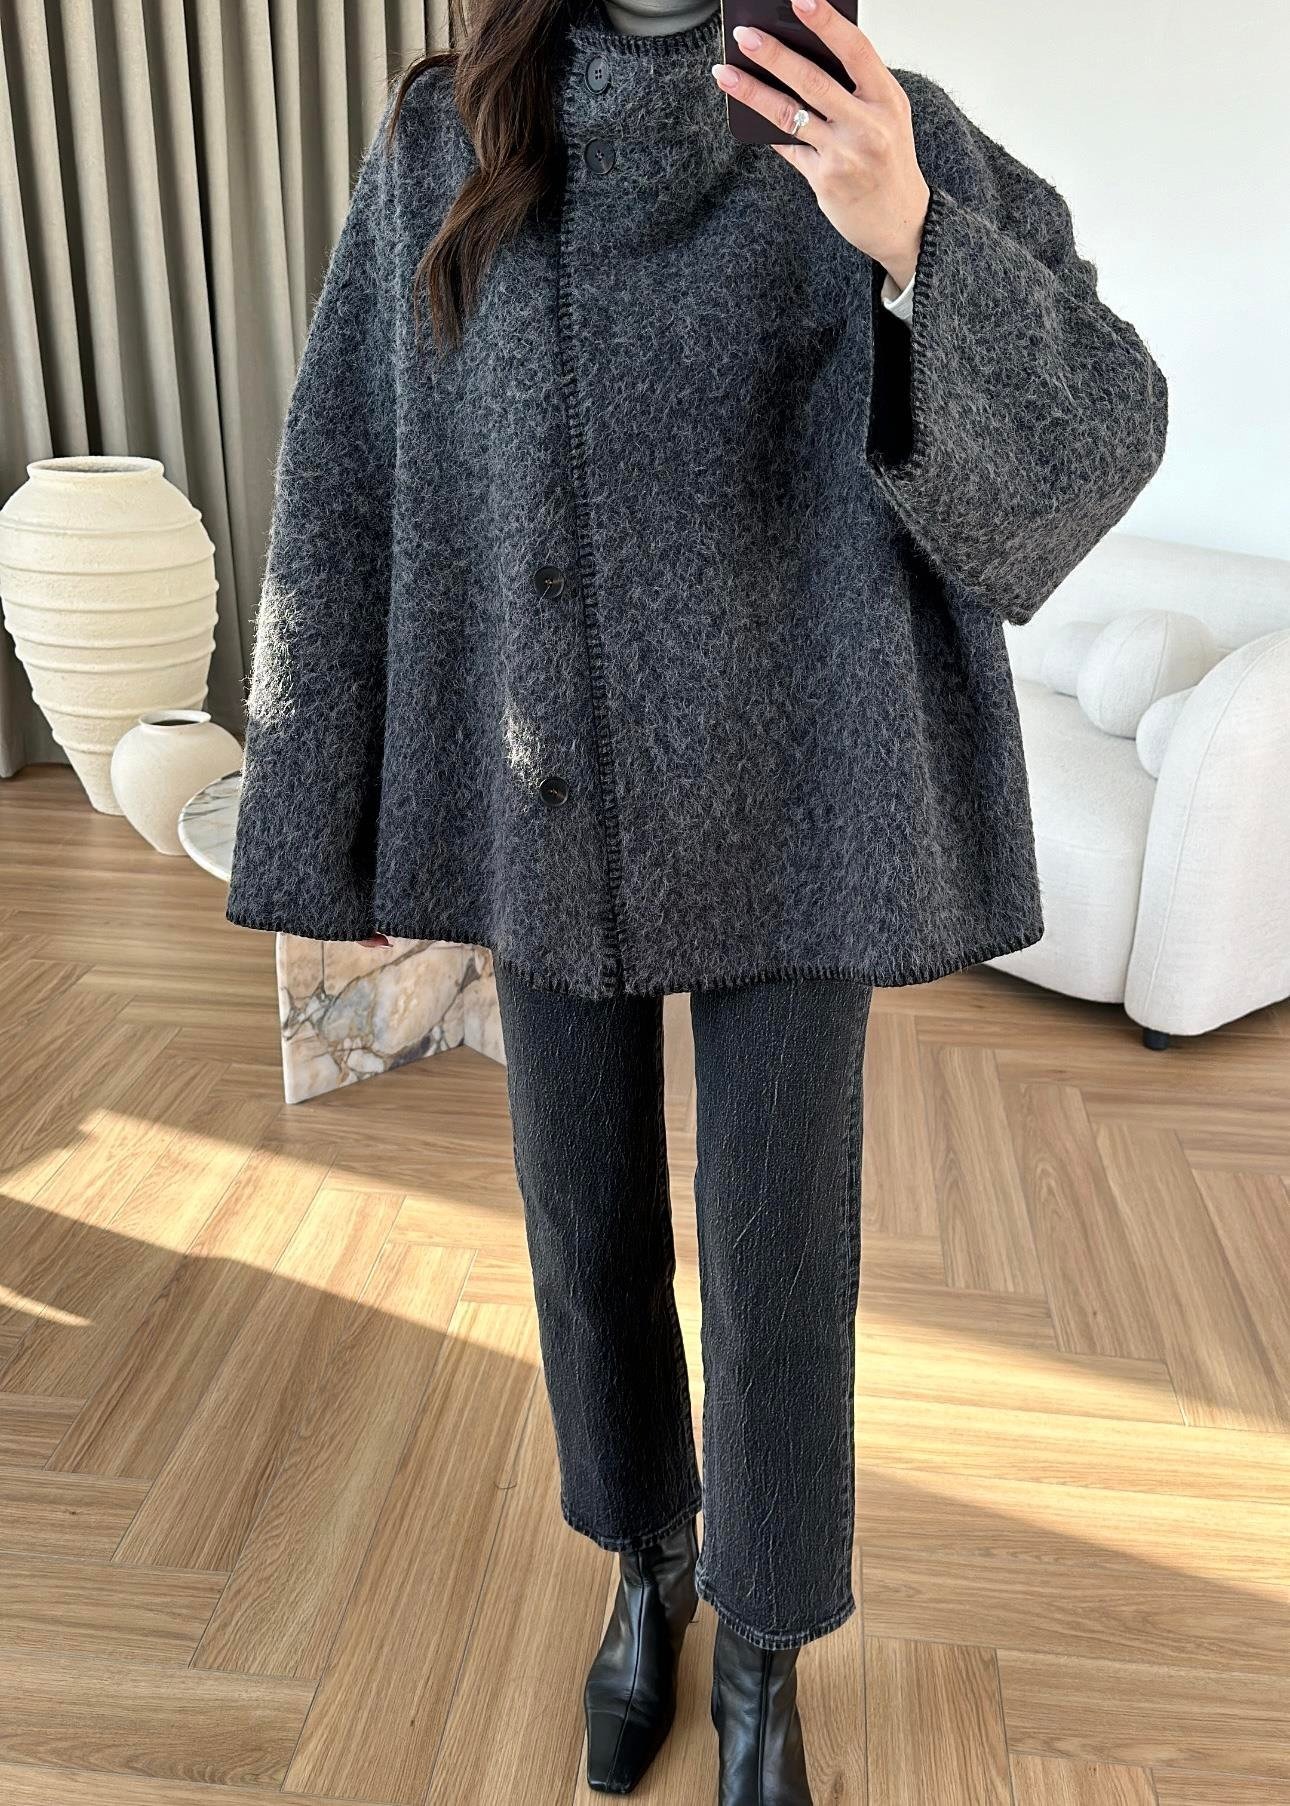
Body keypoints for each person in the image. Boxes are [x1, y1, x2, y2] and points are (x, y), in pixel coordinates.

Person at [224, 0, 1169, 1797]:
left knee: (774, 1254)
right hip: (548, 789)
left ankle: (763, 1649)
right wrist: (327, 810)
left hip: (802, 797)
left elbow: (1100, 425)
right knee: (580, 1227)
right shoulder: (445, 139)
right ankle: (641, 1566)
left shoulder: (877, 122)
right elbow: (348, 468)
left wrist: (910, 235)